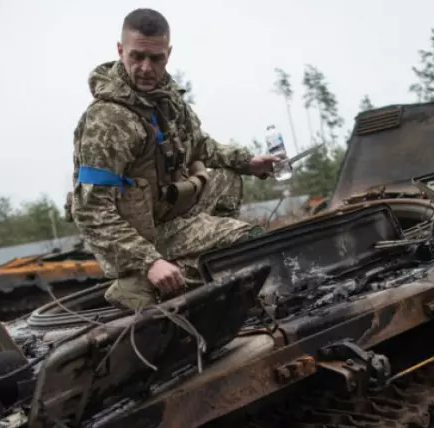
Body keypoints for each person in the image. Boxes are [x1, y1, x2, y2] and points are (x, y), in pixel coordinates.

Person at [69, 8, 281, 310]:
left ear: (168, 54)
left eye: (156, 59)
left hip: (166, 212)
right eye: (136, 56)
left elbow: (199, 144)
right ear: (120, 51)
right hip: (139, 236)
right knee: (248, 240)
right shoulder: (109, 120)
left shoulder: (166, 99)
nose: (145, 68)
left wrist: (249, 162)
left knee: (228, 177)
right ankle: (144, 284)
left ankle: (198, 259)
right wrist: (149, 260)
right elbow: (90, 211)